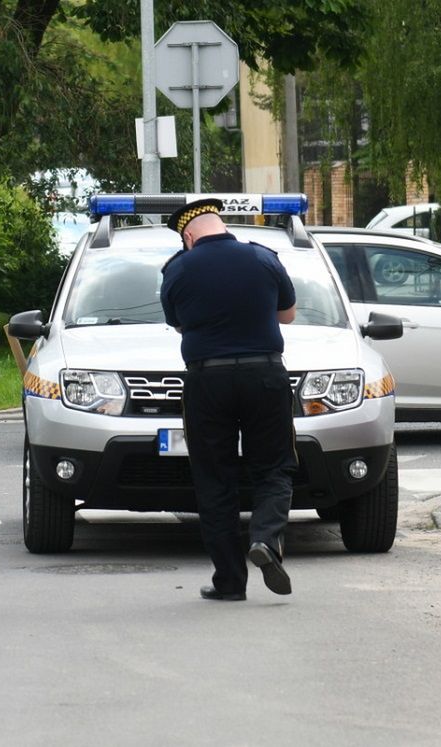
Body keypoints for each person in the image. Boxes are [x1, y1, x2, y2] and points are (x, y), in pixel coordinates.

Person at [159, 198, 298, 602]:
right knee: (274, 466)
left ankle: (230, 582)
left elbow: (177, 322)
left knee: (214, 478)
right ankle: (267, 540)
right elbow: (287, 315)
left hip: (207, 381)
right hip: (266, 375)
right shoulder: (263, 258)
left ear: (188, 236)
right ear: (221, 225)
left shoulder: (177, 269)